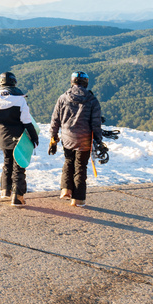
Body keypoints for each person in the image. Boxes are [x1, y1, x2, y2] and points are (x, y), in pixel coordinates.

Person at [48, 71, 103, 207]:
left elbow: (55, 119)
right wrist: (99, 140)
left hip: (67, 138)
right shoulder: (92, 100)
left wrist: (53, 138)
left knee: (68, 162)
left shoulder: (63, 98)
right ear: (86, 83)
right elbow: (96, 123)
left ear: (72, 82)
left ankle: (66, 189)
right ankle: (78, 199)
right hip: (84, 139)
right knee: (80, 167)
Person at [0, 72, 38, 206]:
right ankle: (18, 197)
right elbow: (26, 121)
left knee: (7, 161)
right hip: (19, 137)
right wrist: (34, 137)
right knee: (19, 165)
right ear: (14, 82)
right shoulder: (19, 98)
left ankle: (6, 190)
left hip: (2, 135)